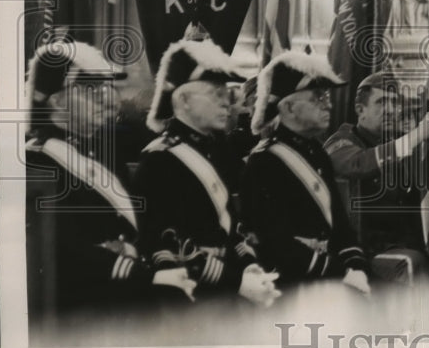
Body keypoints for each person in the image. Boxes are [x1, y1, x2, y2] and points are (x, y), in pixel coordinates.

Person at [25, 41, 195, 321]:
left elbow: (136, 222)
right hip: (84, 300)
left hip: (121, 280)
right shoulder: (37, 160)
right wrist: (147, 275)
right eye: (91, 90)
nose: (106, 100)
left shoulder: (104, 148)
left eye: (105, 89)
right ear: (57, 101)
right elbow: (64, 251)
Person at [135, 38, 280, 307]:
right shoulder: (159, 159)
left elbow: (231, 225)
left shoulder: (219, 150)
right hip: (190, 290)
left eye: (229, 94)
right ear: (185, 100)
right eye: (216, 93)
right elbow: (161, 244)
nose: (227, 103)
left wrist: (249, 265)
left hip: (229, 279)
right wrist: (235, 280)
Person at [241, 51, 370, 293]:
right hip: (292, 280)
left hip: (329, 272)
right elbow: (273, 242)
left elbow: (339, 224)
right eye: (318, 98)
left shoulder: (316, 152)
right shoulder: (264, 161)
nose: (328, 104)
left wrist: (356, 264)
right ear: (288, 107)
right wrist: (340, 272)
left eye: (327, 97)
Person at [323, 71, 429, 282]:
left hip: (402, 244)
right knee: (413, 263)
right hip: (361, 250)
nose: (391, 110)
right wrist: (416, 136)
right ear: (360, 110)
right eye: (381, 102)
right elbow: (358, 164)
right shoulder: (341, 142)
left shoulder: (399, 143)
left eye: (395, 102)